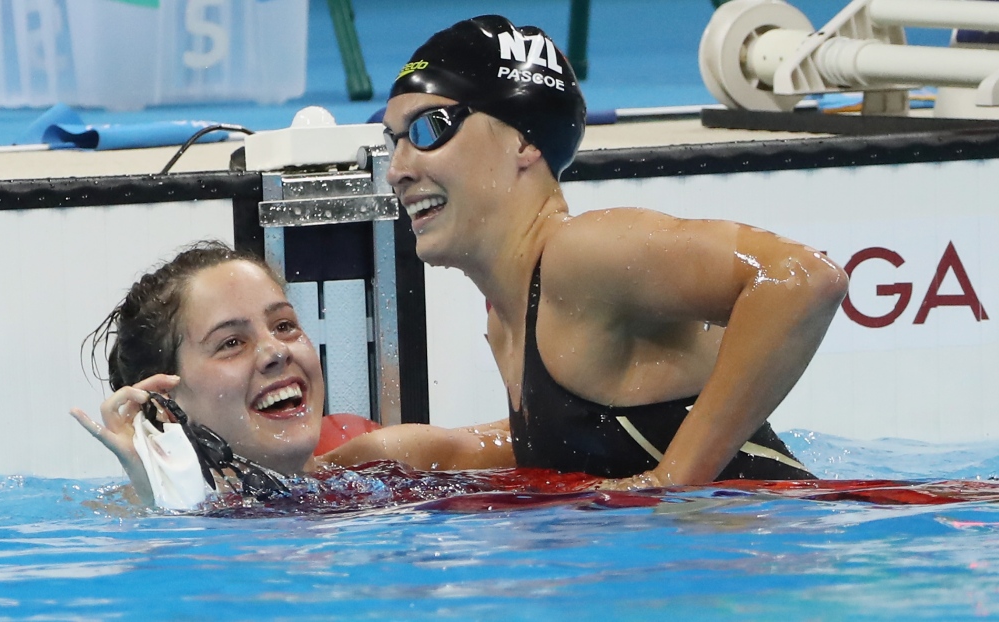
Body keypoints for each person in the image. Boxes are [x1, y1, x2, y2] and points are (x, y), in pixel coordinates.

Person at [381, 15, 850, 488]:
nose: (397, 169)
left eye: (429, 128)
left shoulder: (580, 255)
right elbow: (582, 439)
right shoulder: (506, 321)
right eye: (392, 141)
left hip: (786, 538)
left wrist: (670, 481)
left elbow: (804, 277)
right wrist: (391, 452)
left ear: (523, 139)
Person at [70, 240, 516, 508]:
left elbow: (561, 437)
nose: (275, 351)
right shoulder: (132, 522)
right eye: (231, 343)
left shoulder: (390, 464)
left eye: (284, 325)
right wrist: (165, 508)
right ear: (165, 402)